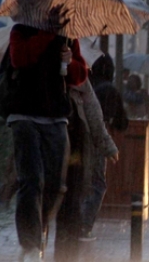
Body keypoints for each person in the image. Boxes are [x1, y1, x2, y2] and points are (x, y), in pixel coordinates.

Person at [0, 17, 88, 262]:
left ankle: (39, 228)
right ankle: (30, 245)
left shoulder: (68, 37)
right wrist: (46, 35)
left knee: (57, 184)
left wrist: (70, 62)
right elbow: (20, 58)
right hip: (24, 115)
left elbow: (79, 77)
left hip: (56, 117)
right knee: (32, 180)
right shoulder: (21, 31)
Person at [55, 78, 119, 260]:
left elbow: (93, 114)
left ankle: (60, 249)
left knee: (68, 198)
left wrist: (108, 145)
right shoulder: (78, 78)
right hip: (69, 145)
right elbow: (95, 117)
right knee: (69, 197)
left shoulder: (79, 77)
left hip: (73, 147)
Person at [78, 54, 129, 241]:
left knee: (78, 180)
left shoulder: (83, 84)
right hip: (97, 139)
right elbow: (122, 123)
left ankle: (71, 221)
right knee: (97, 184)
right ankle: (84, 226)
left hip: (75, 136)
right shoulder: (109, 90)